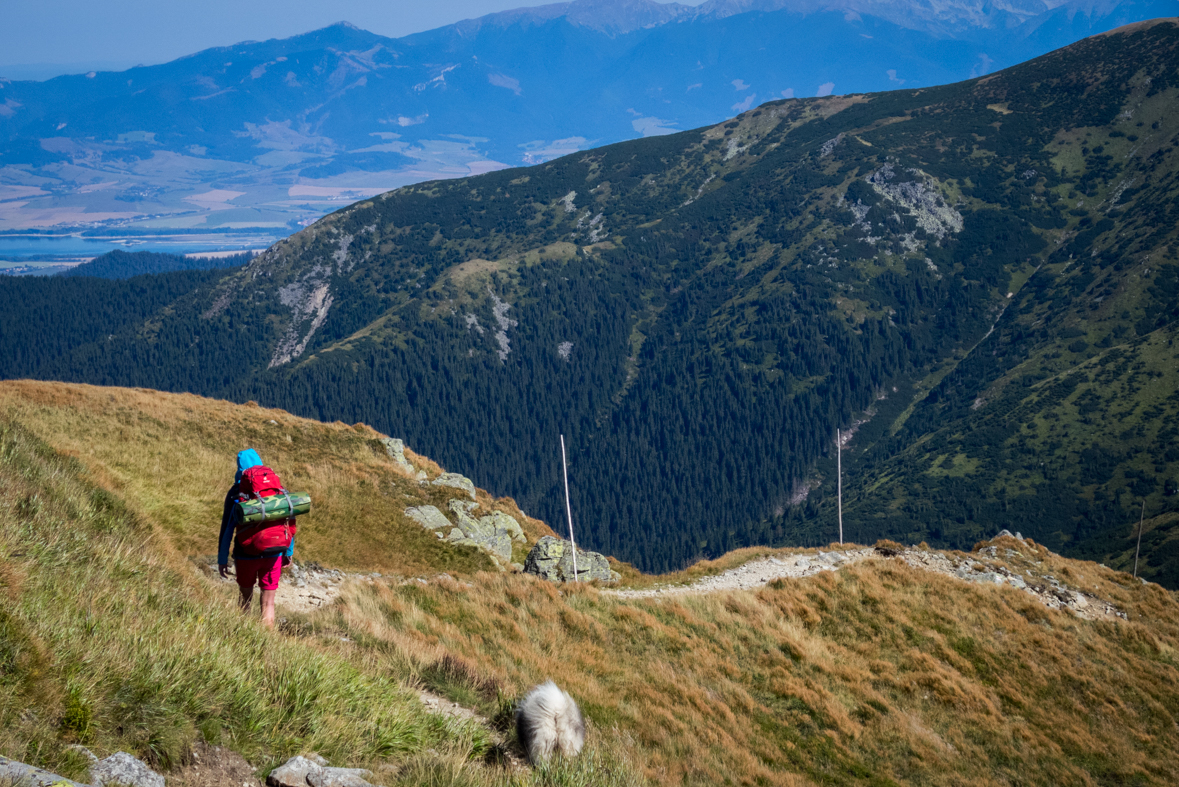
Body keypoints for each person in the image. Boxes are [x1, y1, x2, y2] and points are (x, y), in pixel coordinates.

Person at [218, 449, 294, 628]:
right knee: (268, 603)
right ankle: (267, 644)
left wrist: (222, 559)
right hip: (274, 553)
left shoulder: (236, 492)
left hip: (245, 554)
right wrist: (288, 551)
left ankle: (242, 636)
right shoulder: (277, 489)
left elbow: (227, 529)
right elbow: (289, 522)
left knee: (245, 599)